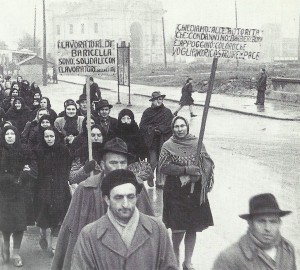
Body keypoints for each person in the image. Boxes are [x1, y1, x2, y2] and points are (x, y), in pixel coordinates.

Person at [51, 137, 154, 270]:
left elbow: (149, 226)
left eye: (123, 163)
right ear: (103, 164)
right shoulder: (86, 189)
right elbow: (70, 230)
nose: (119, 168)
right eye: (113, 163)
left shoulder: (137, 186)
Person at [71, 169, 178, 270]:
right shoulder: (89, 235)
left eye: (130, 197)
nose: (125, 204)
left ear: (137, 197)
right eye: (119, 197)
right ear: (107, 199)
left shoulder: (157, 229)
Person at [159, 116, 214, 269]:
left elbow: (207, 163)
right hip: (175, 191)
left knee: (192, 227)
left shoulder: (197, 143)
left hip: (194, 190)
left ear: (187, 127)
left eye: (182, 126)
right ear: (173, 128)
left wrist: (200, 173)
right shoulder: (167, 145)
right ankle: (175, 259)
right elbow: (163, 167)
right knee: (178, 229)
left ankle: (188, 261)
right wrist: (184, 170)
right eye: (176, 126)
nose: (180, 129)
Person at [212, 193, 296, 270]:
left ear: (279, 223)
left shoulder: (287, 249)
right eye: (261, 221)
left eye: (273, 222)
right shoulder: (230, 258)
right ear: (250, 223)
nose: (268, 228)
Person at [33, 127, 71, 256]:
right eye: (47, 136)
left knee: (58, 215)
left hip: (59, 187)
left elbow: (68, 167)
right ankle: (43, 234)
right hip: (43, 187)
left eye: (52, 136)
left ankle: (53, 245)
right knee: (44, 216)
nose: (49, 139)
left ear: (56, 136)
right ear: (43, 138)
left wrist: (63, 181)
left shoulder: (64, 150)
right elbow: (36, 170)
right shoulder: (39, 150)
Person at [0, 125, 31, 267]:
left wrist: (26, 173)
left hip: (20, 192)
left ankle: (16, 253)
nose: (10, 136)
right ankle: (5, 247)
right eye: (7, 134)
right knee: (5, 223)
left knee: (19, 223)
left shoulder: (22, 150)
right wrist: (11, 178)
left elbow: (29, 166)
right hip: (4, 192)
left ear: (17, 136)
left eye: (13, 133)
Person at [139, 91, 173, 188]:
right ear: (152, 101)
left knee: (162, 161)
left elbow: (170, 125)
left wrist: (161, 129)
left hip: (163, 140)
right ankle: (150, 176)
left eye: (160, 99)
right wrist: (152, 129)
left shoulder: (167, 112)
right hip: (152, 141)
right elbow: (142, 126)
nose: (159, 101)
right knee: (153, 161)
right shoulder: (147, 112)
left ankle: (160, 181)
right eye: (156, 99)